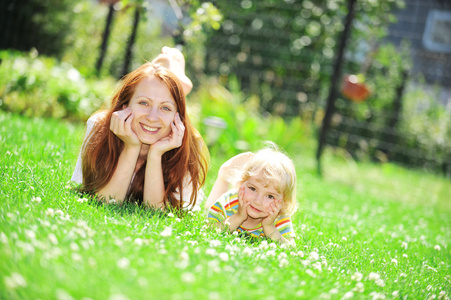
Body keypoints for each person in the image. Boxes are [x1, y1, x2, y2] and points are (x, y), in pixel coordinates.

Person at [72, 47, 209, 210]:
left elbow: (156, 213)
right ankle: (168, 74)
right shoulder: (100, 125)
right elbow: (105, 203)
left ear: (177, 117)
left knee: (162, 89)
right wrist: (131, 147)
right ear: (124, 105)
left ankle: (172, 77)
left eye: (166, 108)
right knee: (159, 88)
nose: (152, 117)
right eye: (144, 103)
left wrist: (156, 153)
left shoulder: (189, 143)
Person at [206, 146, 297, 245]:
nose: (257, 201)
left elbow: (290, 249)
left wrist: (269, 227)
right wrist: (238, 217)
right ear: (241, 184)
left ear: (284, 202)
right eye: (253, 189)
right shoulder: (228, 202)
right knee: (208, 206)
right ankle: (224, 175)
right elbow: (209, 229)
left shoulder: (278, 216)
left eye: (270, 196)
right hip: (226, 206)